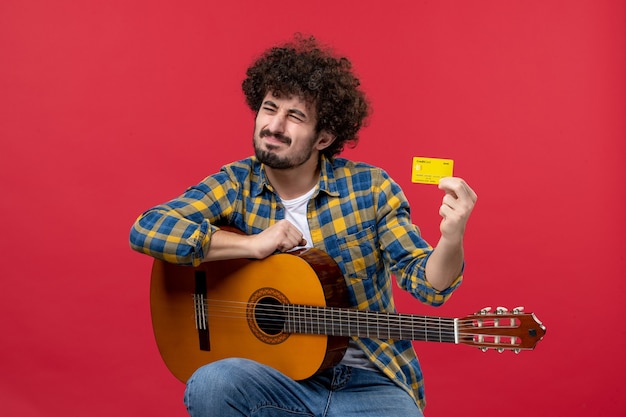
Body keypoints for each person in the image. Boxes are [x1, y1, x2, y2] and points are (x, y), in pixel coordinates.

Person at [129, 34, 477, 417]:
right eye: (269, 108)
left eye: (294, 116)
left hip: (370, 383)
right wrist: (252, 245)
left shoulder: (371, 188)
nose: (274, 126)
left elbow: (430, 288)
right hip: (276, 377)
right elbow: (148, 229)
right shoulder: (234, 184)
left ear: (323, 137)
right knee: (212, 382)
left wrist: (451, 237)